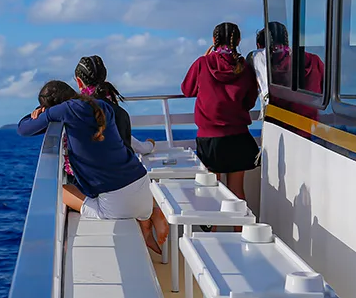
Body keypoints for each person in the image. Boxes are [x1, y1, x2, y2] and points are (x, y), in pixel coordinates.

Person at [17, 80, 169, 254]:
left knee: (60, 190)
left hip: (118, 205)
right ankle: (148, 216)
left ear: (54, 105)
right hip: (142, 185)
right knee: (114, 188)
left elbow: (23, 129)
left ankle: (148, 215)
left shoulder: (66, 110)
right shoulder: (102, 105)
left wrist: (39, 113)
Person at [181, 22, 260, 212]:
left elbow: (187, 90)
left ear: (214, 40)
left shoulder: (203, 63)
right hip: (238, 136)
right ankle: (242, 235)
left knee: (212, 193)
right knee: (236, 192)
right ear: (238, 40)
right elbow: (249, 102)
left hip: (210, 138)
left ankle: (212, 236)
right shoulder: (244, 67)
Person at [74, 55, 156, 155]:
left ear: (79, 82)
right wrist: (150, 144)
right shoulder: (119, 113)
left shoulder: (73, 112)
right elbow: (137, 147)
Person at [247, 29, 270, 118]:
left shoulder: (254, 56)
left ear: (258, 45)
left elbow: (251, 88)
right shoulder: (292, 54)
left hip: (269, 106)